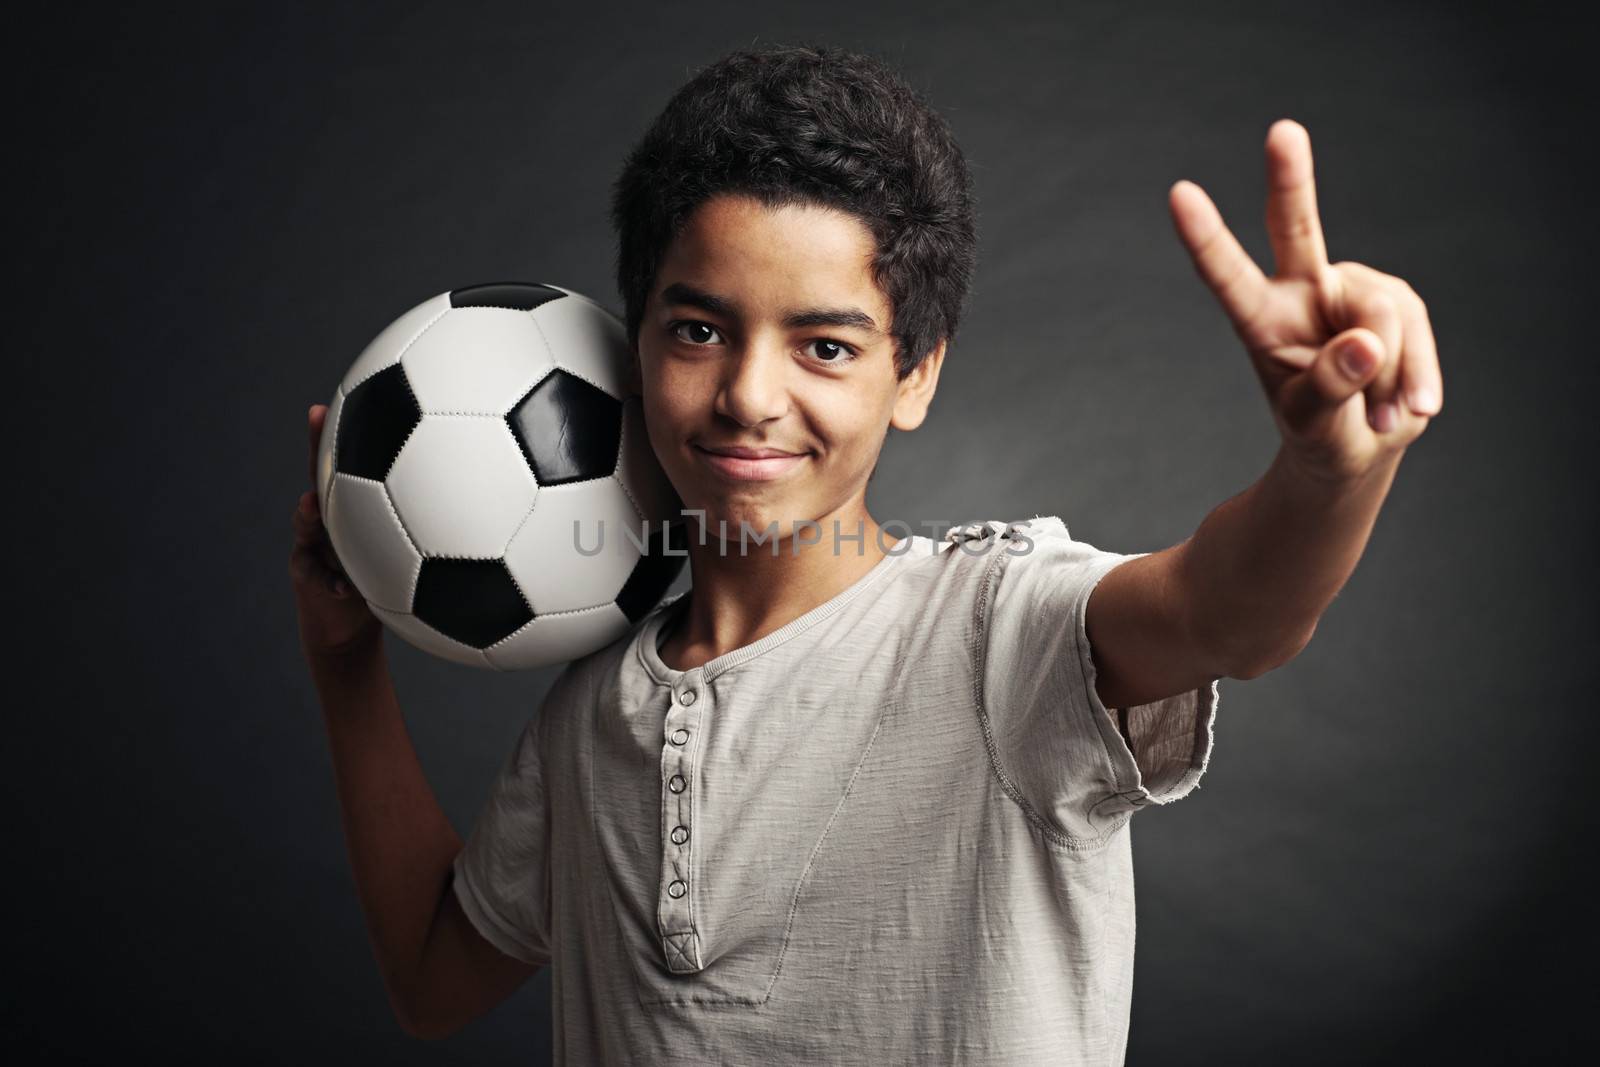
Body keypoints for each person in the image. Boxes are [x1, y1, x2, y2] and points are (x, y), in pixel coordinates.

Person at [289, 42, 1441, 1065]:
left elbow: (1230, 614)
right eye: (698, 330)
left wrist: (1329, 474)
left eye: (825, 346)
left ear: (917, 372)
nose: (748, 394)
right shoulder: (590, 714)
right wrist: (347, 663)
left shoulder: (1002, 636)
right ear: (633, 345)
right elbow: (436, 981)